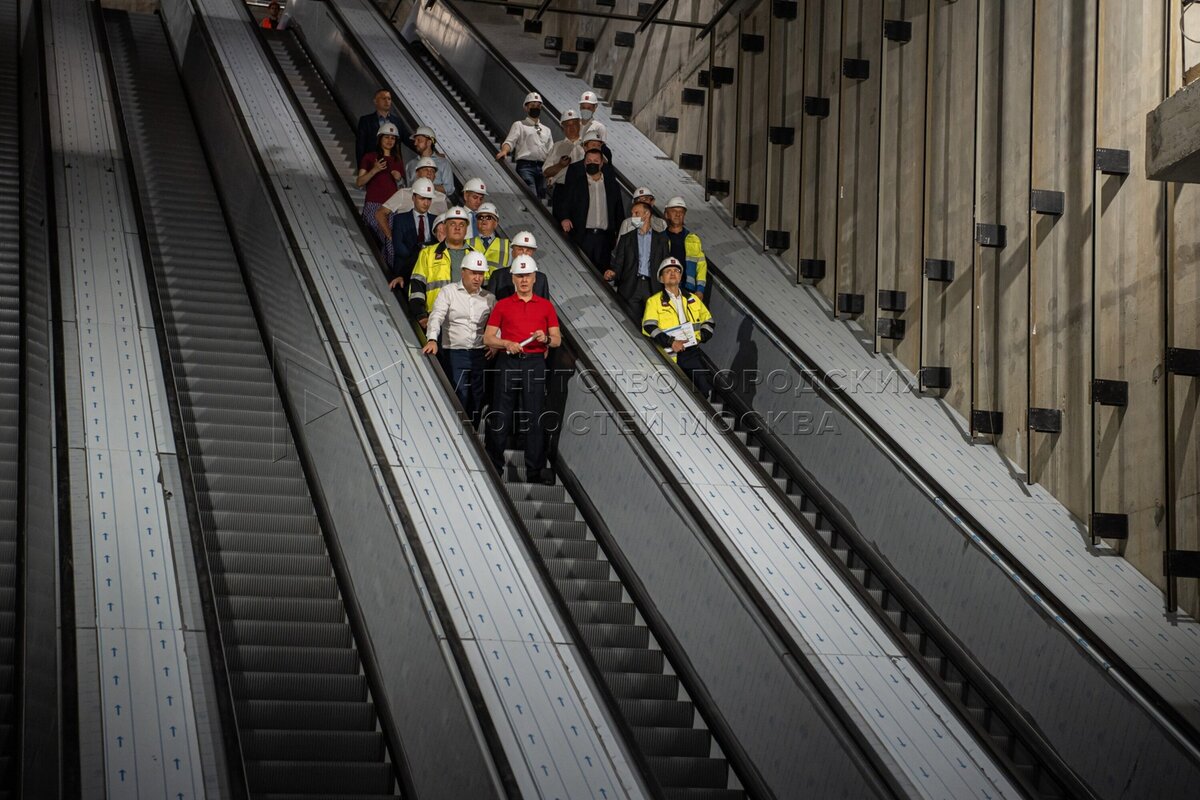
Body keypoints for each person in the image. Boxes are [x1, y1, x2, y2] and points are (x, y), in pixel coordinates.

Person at [484, 255, 561, 485]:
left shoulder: (546, 306)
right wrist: (506, 343)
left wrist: (545, 338)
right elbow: (488, 337)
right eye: (520, 276)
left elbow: (557, 339)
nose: (524, 280)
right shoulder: (502, 305)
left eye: (527, 276)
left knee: (534, 416)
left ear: (535, 278)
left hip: (534, 362)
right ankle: (493, 468)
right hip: (508, 361)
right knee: (500, 413)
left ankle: (535, 471)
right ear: (513, 279)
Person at [423, 251, 495, 422]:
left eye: (481, 274)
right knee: (459, 394)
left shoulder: (489, 298)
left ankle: (473, 433)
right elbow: (437, 316)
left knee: (478, 396)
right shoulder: (448, 291)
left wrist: (495, 344)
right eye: (473, 273)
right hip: (454, 352)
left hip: (480, 353)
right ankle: (456, 431)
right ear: (463, 272)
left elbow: (498, 323)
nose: (477, 278)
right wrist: (432, 339)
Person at [642, 256, 715, 398]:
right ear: (661, 278)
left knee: (705, 389)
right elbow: (649, 326)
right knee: (673, 393)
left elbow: (709, 321)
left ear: (681, 276)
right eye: (668, 271)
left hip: (691, 351)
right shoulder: (654, 301)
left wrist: (700, 337)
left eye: (676, 270)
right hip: (667, 354)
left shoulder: (693, 299)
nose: (673, 273)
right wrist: (671, 342)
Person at [555, 149, 624, 273]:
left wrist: (619, 233)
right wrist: (564, 218)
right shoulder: (577, 183)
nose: (592, 163)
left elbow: (618, 210)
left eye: (596, 161)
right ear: (584, 163)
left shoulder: (612, 185)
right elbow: (565, 202)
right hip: (583, 235)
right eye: (589, 161)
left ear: (601, 163)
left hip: (604, 238)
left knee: (602, 272)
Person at [409, 206, 479, 327]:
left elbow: (482, 289)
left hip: (467, 320)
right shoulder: (428, 253)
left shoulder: (476, 255)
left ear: (466, 229)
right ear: (445, 227)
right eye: (452, 224)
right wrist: (421, 315)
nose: (457, 228)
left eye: (462, 225)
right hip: (436, 318)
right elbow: (417, 285)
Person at [357, 122, 404, 266]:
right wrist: (374, 170)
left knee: (393, 236)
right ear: (380, 139)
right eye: (386, 137)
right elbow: (359, 182)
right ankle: (387, 267)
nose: (390, 140)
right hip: (373, 204)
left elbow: (404, 188)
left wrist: (399, 179)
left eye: (393, 138)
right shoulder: (369, 157)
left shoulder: (398, 161)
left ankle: (390, 267)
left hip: (392, 207)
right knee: (384, 234)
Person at [608, 201, 669, 309]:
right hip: (631, 287)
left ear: (647, 214)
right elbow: (619, 264)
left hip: (653, 287)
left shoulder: (661, 240)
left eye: (636, 213)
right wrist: (612, 273)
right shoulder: (626, 239)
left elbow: (666, 266)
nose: (633, 216)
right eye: (632, 214)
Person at [383, 178, 438, 290]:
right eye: (422, 198)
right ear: (413, 198)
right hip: (404, 271)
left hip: (429, 271)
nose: (426, 203)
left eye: (429, 199)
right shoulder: (400, 219)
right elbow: (399, 247)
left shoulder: (436, 220)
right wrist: (418, 260)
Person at [495, 92, 553, 200]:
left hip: (543, 168)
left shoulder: (547, 130)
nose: (536, 108)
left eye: (538, 106)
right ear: (526, 108)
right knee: (531, 196)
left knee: (540, 198)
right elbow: (510, 141)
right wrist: (504, 151)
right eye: (532, 105)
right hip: (526, 167)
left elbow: (551, 152)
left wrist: (551, 173)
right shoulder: (519, 125)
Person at [377, 157, 449, 223]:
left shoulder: (441, 198)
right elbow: (380, 213)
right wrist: (389, 233)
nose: (429, 173)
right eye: (425, 169)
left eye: (432, 171)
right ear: (417, 174)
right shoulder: (403, 193)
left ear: (435, 176)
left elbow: (447, 222)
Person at [662, 196, 708, 296]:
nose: (678, 214)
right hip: (664, 289)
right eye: (674, 211)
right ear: (666, 214)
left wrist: (700, 290)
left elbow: (701, 266)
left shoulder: (694, 239)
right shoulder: (659, 238)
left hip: (688, 290)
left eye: (681, 212)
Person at [488, 231, 549, 301]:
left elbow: (546, 305)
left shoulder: (541, 278)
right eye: (520, 250)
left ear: (532, 253)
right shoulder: (498, 276)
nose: (524, 254)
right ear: (512, 252)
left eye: (528, 250)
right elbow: (489, 304)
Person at [356, 89, 406, 168]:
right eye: (384, 98)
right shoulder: (366, 121)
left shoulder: (397, 121)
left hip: (393, 166)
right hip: (372, 165)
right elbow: (360, 146)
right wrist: (362, 168)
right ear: (375, 101)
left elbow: (407, 139)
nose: (387, 101)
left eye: (389, 99)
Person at [542, 109, 583, 204]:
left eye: (574, 124)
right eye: (567, 125)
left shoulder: (588, 144)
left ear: (579, 124)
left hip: (583, 191)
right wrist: (560, 165)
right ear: (562, 127)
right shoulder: (557, 146)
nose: (571, 128)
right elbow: (546, 172)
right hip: (562, 191)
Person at [405, 125, 456, 196]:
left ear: (429, 142)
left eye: (419, 140)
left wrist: (429, 187)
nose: (415, 143)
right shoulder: (410, 164)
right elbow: (408, 188)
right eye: (415, 140)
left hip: (437, 202)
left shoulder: (443, 163)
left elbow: (450, 188)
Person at [467, 203, 510, 276]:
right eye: (480, 217)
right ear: (476, 222)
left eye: (488, 217)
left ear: (496, 223)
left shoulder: (508, 246)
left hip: (498, 283)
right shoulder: (466, 243)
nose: (484, 221)